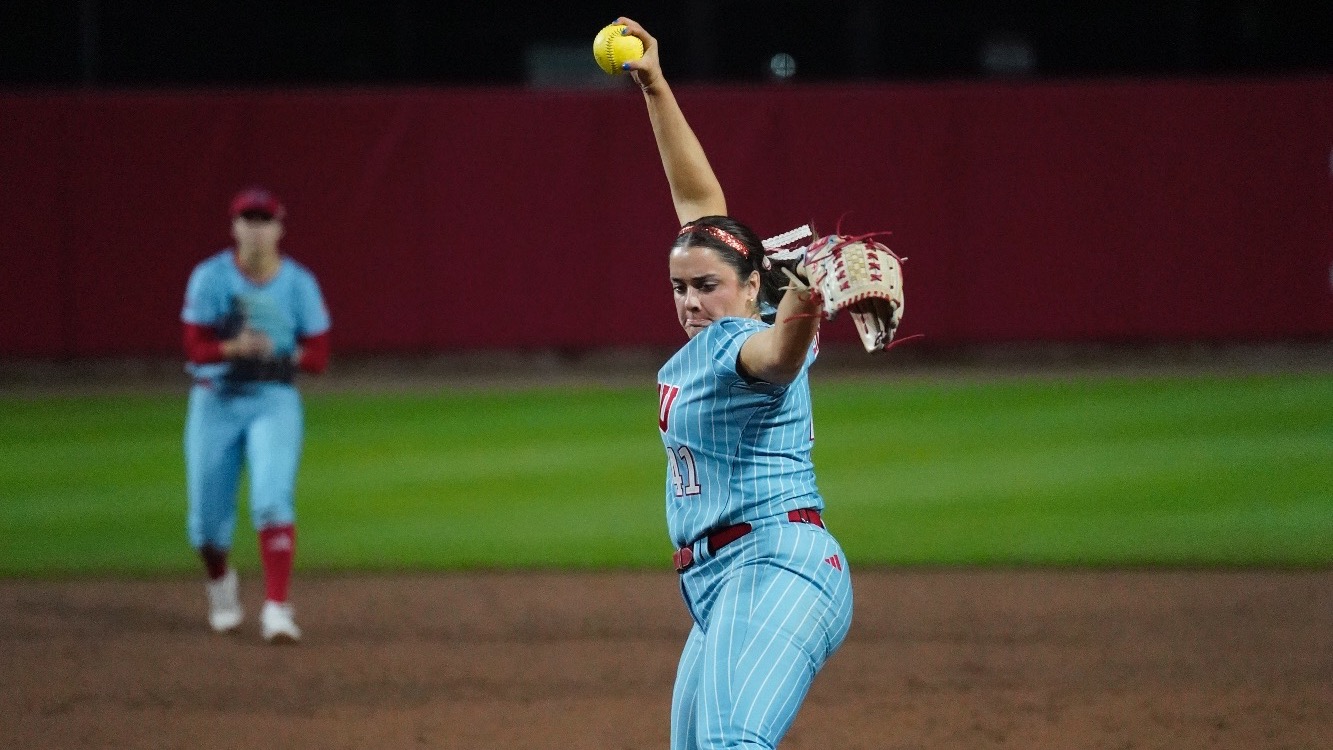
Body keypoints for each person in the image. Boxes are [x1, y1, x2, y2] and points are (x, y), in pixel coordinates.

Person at [618, 17, 854, 750]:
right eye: (678, 287)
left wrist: (806, 302)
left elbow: (777, 356)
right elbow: (698, 205)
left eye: (708, 286)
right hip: (725, 585)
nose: (691, 301)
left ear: (754, 285)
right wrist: (656, 87)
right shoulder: (719, 318)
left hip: (775, 566)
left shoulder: (738, 340)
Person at [180, 186, 331, 644]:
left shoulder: (299, 284)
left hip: (272, 400)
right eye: (248, 219)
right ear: (234, 228)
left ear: (280, 228)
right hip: (216, 400)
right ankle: (221, 585)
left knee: (271, 499)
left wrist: (273, 361)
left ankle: (277, 608)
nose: (257, 229)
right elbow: (194, 347)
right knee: (206, 524)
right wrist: (233, 348)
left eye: (265, 220)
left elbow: (320, 356)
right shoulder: (209, 279)